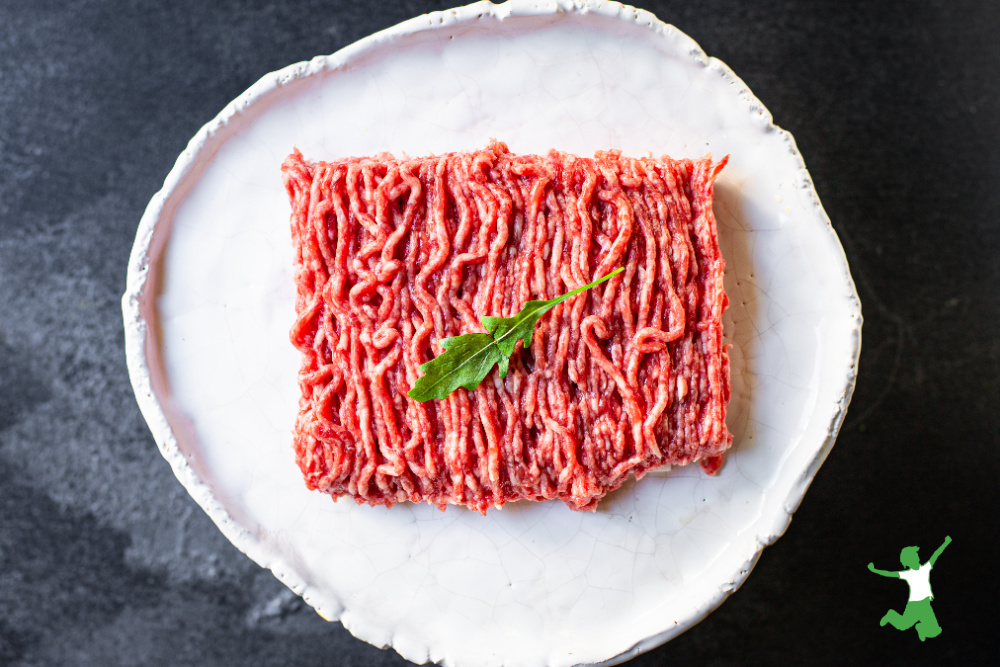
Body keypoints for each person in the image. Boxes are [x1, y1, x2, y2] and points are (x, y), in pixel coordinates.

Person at [868, 535, 951, 641]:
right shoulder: (908, 574)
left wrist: (946, 543)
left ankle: (920, 628)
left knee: (935, 631)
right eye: (914, 555)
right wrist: (874, 570)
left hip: (925, 605)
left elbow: (936, 554)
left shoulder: (925, 568)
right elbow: (889, 574)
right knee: (903, 625)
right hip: (914, 606)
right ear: (909, 560)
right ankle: (890, 615)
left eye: (916, 554)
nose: (917, 556)